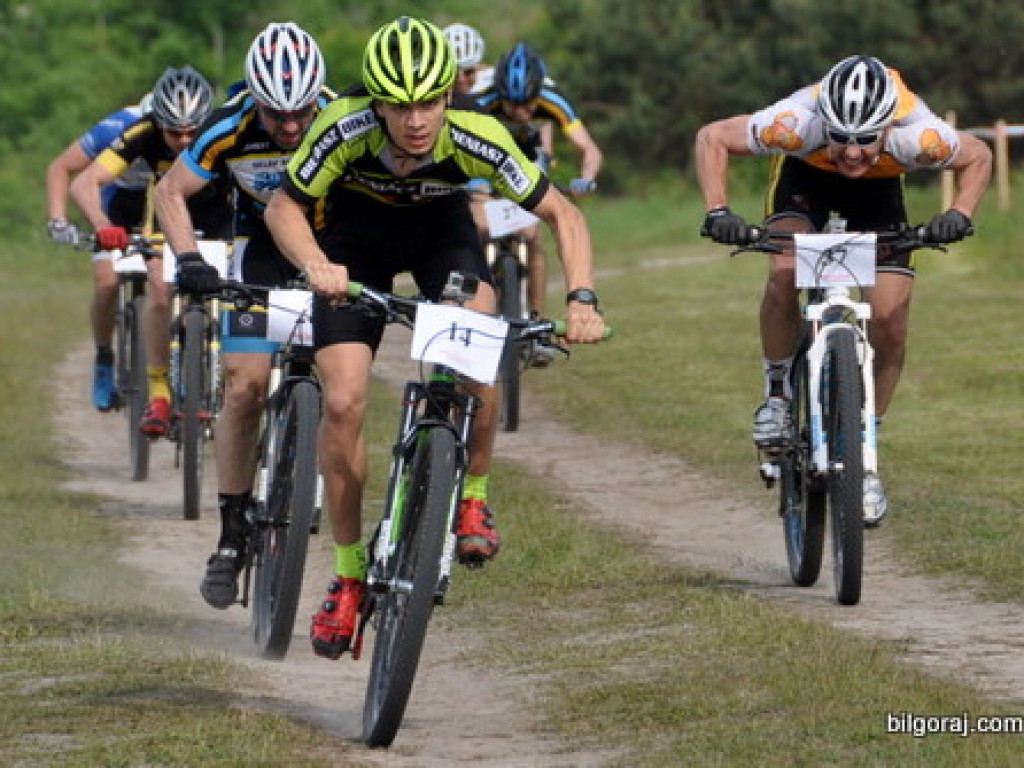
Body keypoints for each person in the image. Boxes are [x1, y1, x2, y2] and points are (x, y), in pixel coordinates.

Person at [263, 16, 606, 660]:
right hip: (352, 246)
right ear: (378, 103)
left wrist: (581, 296)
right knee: (342, 403)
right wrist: (314, 263)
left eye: (428, 102)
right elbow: (284, 205)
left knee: (482, 339)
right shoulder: (342, 124)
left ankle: (473, 496)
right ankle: (345, 573)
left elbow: (563, 212)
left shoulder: (480, 136)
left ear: (449, 96)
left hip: (439, 235)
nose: (415, 120)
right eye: (399, 105)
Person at [695, 54, 992, 526]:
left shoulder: (916, 136)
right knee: (784, 273)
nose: (852, 152)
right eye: (842, 139)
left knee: (890, 322)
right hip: (805, 183)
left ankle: (864, 450)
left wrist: (960, 213)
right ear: (825, 125)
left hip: (877, 197)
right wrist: (718, 212)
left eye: (864, 141)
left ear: (887, 129)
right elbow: (712, 137)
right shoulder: (797, 124)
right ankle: (777, 394)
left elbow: (979, 155)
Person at [154, 22, 334, 609]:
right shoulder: (226, 126)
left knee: (343, 379)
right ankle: (231, 535)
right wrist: (186, 258)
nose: (289, 126)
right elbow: (170, 193)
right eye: (275, 114)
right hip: (258, 248)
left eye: (300, 112)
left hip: (336, 250)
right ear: (253, 98)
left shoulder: (341, 120)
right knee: (244, 386)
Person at [71, 65, 232, 439]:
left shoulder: (223, 132)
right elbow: (85, 182)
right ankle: (158, 391)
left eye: (192, 131)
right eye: (174, 131)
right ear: (158, 121)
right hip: (171, 222)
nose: (183, 139)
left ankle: (231, 378)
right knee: (158, 287)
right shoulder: (142, 132)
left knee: (237, 296)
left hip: (224, 219)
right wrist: (103, 226)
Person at [474, 42, 603, 342]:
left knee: (533, 237)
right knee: (477, 222)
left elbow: (590, 150)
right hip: (488, 161)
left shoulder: (554, 99)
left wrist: (586, 177)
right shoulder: (482, 102)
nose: (521, 112)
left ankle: (536, 317)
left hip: (531, 163)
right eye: (512, 105)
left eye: (528, 105)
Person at [46, 94, 154, 412]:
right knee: (107, 283)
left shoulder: (184, 134)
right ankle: (104, 358)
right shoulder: (116, 127)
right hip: (114, 205)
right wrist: (58, 218)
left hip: (157, 201)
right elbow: (62, 167)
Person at [444, 22, 492, 96]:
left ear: (479, 67)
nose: (461, 80)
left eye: (469, 72)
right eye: (453, 73)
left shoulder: (493, 81)